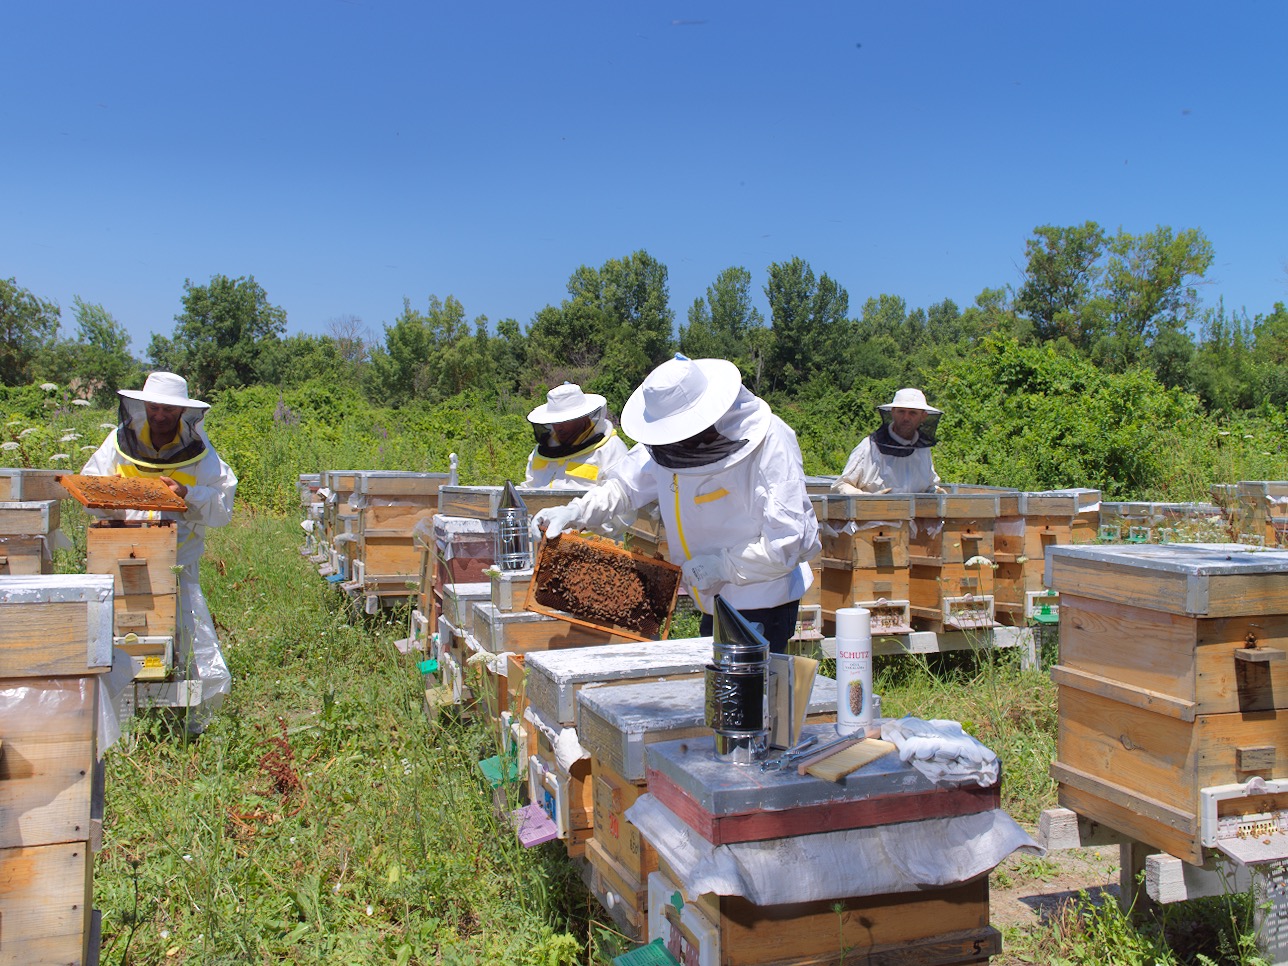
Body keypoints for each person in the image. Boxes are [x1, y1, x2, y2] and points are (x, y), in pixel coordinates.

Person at [530, 355, 821, 653]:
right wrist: (576, 511)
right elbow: (624, 488)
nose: (676, 442)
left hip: (762, 599)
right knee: (718, 690)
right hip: (711, 601)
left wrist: (723, 566)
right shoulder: (666, 443)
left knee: (755, 694)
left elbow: (791, 540)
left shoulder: (771, 440)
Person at [81, 371, 238, 732]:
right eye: (154, 407)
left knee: (188, 635)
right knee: (124, 634)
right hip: (123, 556)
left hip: (178, 562)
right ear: (143, 406)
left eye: (168, 409)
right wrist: (122, 497)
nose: (160, 415)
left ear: (182, 411)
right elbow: (91, 488)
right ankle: (118, 721)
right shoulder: (118, 442)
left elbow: (222, 505)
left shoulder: (200, 452)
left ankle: (199, 721)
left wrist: (186, 494)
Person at [832, 387, 942, 494]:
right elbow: (841, 485)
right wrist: (868, 499)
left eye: (913, 413)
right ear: (893, 412)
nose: (906, 418)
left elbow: (930, 485)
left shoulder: (923, 450)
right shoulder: (869, 447)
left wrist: (935, 492)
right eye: (901, 411)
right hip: (874, 512)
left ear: (923, 416)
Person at [523, 382, 628, 489]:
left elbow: (619, 495)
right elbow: (529, 486)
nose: (558, 427)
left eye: (564, 421)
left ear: (582, 418)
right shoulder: (543, 449)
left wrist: (577, 506)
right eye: (554, 421)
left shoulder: (611, 449)